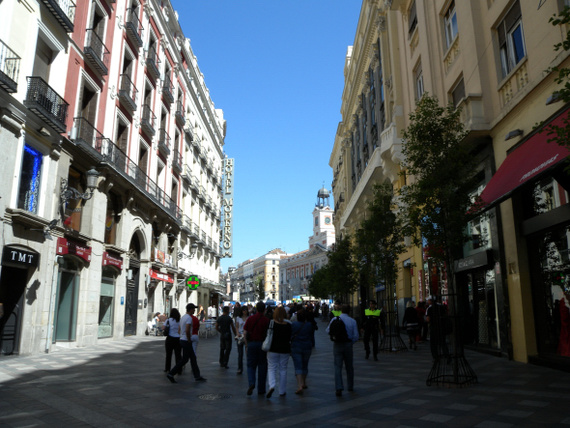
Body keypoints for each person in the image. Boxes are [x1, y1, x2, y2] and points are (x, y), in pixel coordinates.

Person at [166, 303, 207, 383]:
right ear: (191, 309)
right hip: (186, 340)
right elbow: (188, 329)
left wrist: (182, 336)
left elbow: (179, 329)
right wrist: (188, 339)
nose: (195, 310)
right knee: (190, 358)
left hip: (182, 339)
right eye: (194, 309)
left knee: (187, 359)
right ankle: (171, 373)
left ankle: (196, 376)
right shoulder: (189, 318)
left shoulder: (183, 317)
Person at [326, 304, 359, 397]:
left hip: (337, 345)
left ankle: (339, 387)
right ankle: (350, 386)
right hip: (348, 345)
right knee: (349, 366)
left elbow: (328, 330)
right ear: (349, 311)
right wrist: (350, 342)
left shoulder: (335, 319)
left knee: (337, 366)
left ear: (341, 310)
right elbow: (356, 336)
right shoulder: (352, 321)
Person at [243, 301, 270, 396]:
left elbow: (245, 333)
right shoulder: (266, 320)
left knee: (250, 365)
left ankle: (251, 383)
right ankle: (261, 389)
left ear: (256, 309)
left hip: (252, 344)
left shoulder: (250, 319)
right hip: (263, 345)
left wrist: (246, 345)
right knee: (263, 366)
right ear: (264, 309)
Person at [266, 306, 292, 398]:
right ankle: (282, 391)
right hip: (285, 349)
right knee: (283, 369)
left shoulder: (271, 323)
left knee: (271, 368)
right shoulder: (288, 325)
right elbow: (290, 338)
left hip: (272, 349)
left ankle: (272, 386)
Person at [291, 308, 314, 394]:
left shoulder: (293, 325)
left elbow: (291, 335)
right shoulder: (309, 325)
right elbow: (311, 335)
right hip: (307, 346)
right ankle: (304, 382)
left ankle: (299, 385)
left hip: (296, 347)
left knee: (298, 366)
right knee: (305, 365)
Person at [425, 296, 450, 362]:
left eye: (428, 300)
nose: (427, 301)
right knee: (443, 343)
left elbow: (428, 319)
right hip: (442, 327)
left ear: (431, 301)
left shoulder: (429, 309)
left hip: (434, 328)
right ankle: (447, 355)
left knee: (433, 343)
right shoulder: (441, 307)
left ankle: (436, 357)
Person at [163, 308, 181, 373]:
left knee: (168, 355)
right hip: (178, 339)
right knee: (178, 355)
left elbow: (163, 327)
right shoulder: (180, 320)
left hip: (170, 338)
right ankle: (179, 369)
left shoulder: (169, 320)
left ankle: (167, 368)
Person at [234, 306, 249, 374]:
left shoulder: (249, 318)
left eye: (246, 310)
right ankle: (240, 368)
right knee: (240, 354)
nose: (244, 311)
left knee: (248, 353)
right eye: (243, 310)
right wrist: (237, 333)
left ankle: (249, 367)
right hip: (240, 336)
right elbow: (236, 327)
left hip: (247, 337)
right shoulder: (238, 318)